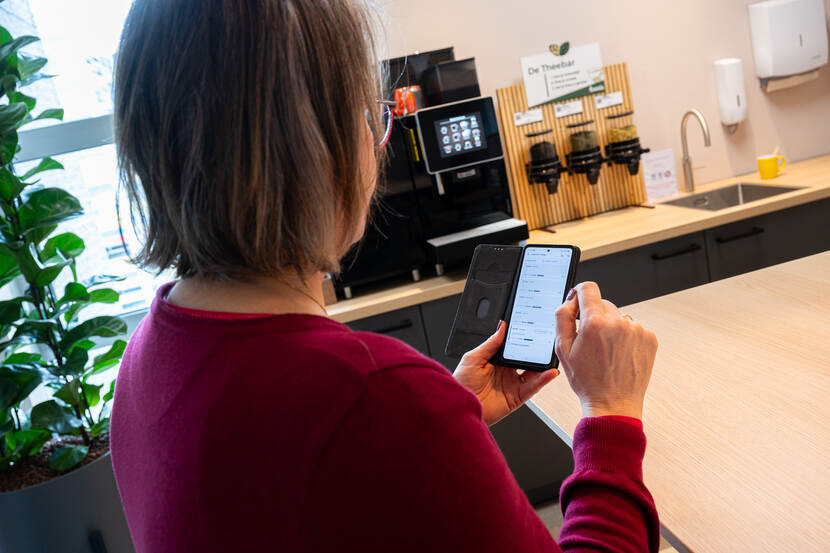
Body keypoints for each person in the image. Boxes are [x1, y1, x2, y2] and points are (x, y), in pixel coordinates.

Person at [109, 1, 660, 551]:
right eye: (371, 115)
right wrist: (609, 415)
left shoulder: (144, 356)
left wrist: (441, 426)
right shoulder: (376, 399)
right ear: (315, 146)